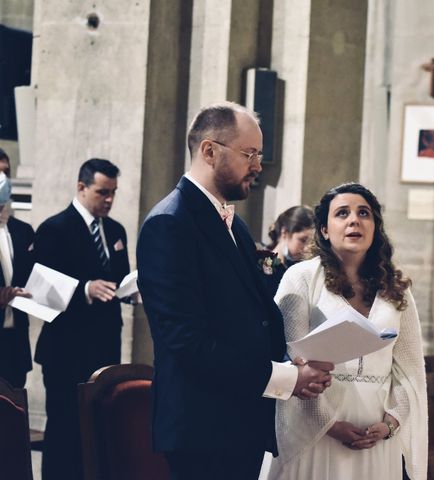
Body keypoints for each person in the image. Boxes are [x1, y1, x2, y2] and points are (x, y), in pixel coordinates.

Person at [137, 102, 333, 480]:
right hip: (202, 429)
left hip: (238, 420)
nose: (258, 165)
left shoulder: (234, 224)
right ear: (210, 151)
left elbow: (253, 316)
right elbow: (188, 342)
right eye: (250, 154)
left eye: (259, 154)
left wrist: (296, 361)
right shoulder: (170, 223)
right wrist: (288, 379)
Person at [268, 182, 429, 480]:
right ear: (325, 229)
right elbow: (291, 357)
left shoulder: (396, 289)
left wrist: (391, 422)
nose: (354, 220)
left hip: (376, 434)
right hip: (314, 430)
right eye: (342, 213)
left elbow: (410, 370)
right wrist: (330, 425)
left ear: (375, 228)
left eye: (364, 213)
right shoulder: (301, 278)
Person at [33, 158, 131, 480]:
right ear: (81, 187)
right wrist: (85, 289)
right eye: (102, 192)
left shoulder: (115, 230)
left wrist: (129, 290)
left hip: (104, 349)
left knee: (99, 430)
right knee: (64, 433)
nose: (109, 199)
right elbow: (39, 291)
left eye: (114, 192)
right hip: (66, 351)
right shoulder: (54, 229)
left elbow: (116, 279)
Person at [0, 155, 34, 388]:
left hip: (14, 341)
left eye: (6, 172)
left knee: (12, 418)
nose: (3, 178)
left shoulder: (22, 230)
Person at [260, 205, 314, 297]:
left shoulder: (296, 266)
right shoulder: (265, 262)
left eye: (311, 242)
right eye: (303, 240)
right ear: (284, 232)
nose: (306, 248)